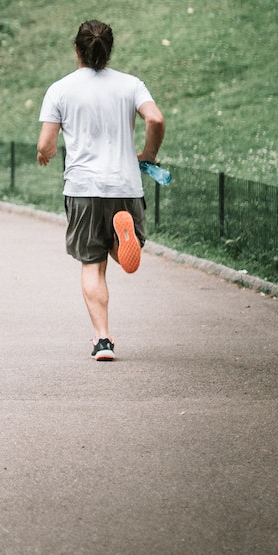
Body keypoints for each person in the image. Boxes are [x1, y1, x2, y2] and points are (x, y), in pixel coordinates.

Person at [36, 20, 165, 362]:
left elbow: (46, 144)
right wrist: (149, 154)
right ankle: (123, 239)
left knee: (91, 264)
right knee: (119, 252)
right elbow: (156, 119)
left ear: (76, 49)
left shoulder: (60, 89)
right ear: (109, 50)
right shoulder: (130, 85)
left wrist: (44, 154)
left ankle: (103, 340)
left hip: (83, 188)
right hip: (125, 185)